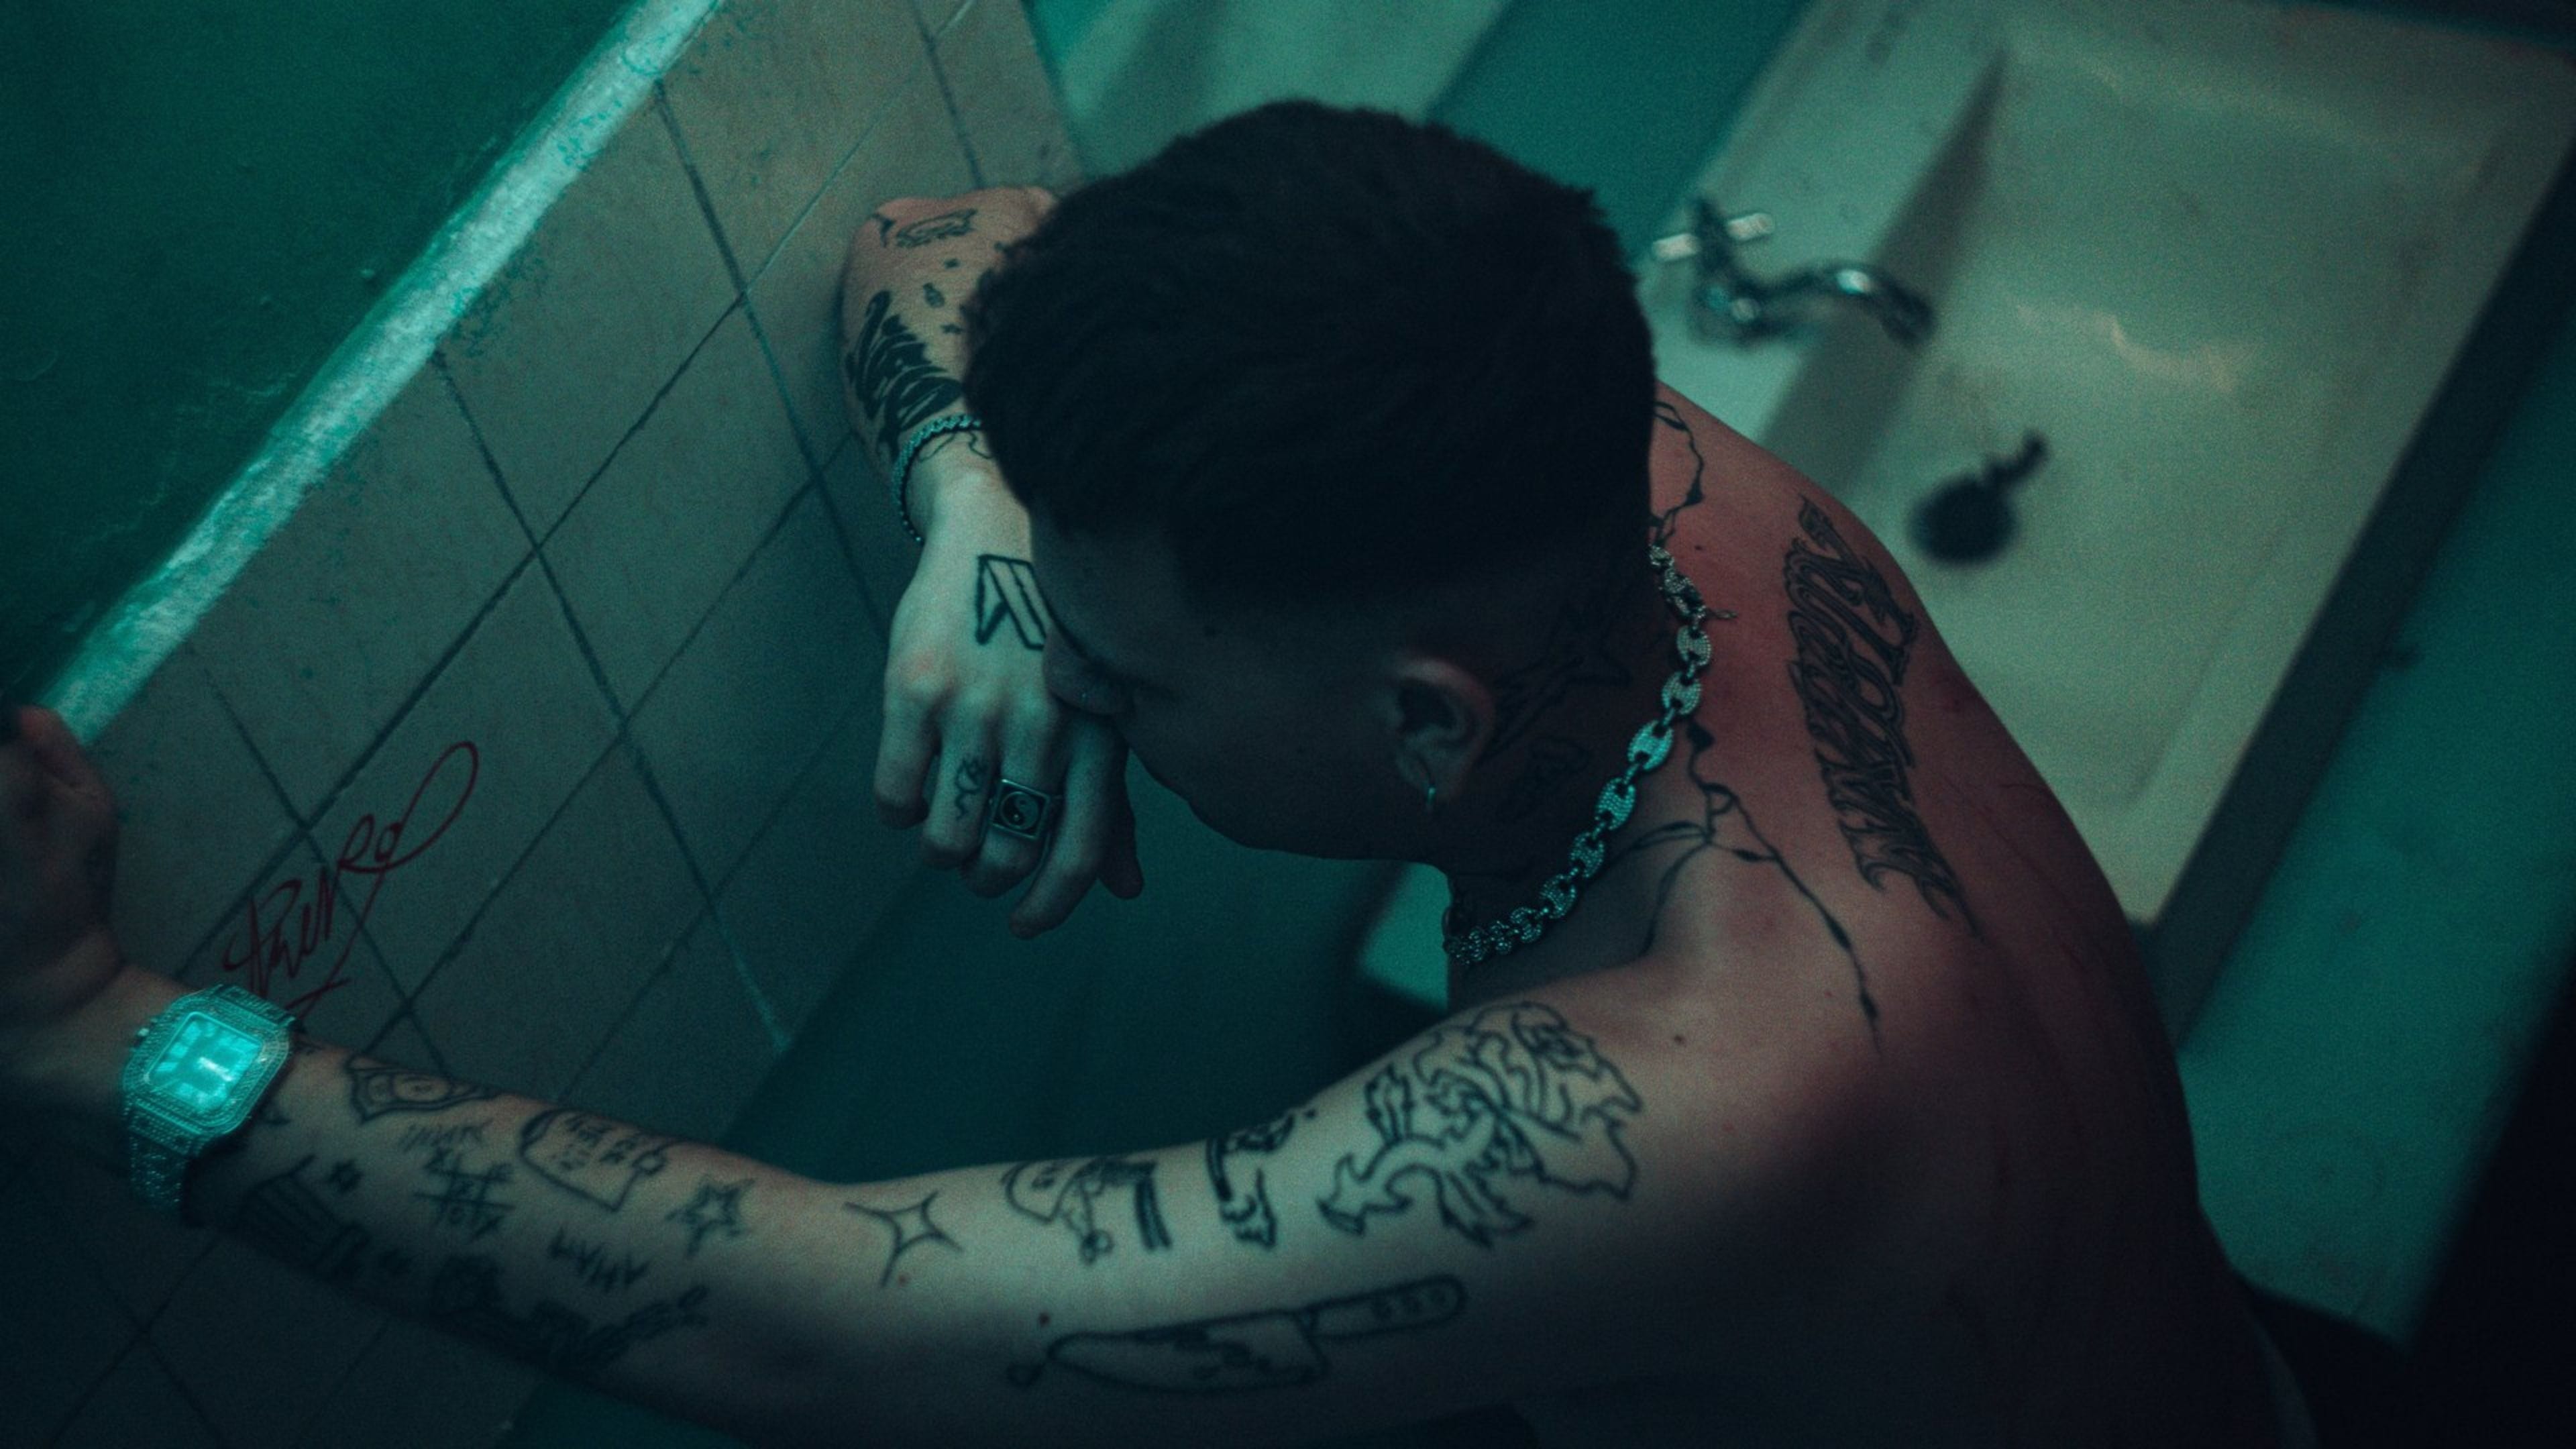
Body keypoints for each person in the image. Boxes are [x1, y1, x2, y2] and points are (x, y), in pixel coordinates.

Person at [0, 101, 2312, 1446]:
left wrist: (94, 1031)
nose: (1078, 699)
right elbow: (938, 238)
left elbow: (812, 1319)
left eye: (1127, 676)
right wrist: (981, 518)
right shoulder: (1626, 485)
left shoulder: (1699, 1102)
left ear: (1426, 722)